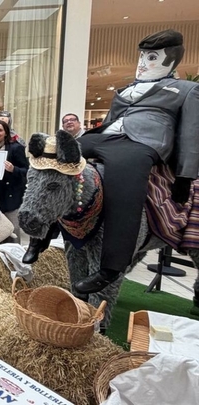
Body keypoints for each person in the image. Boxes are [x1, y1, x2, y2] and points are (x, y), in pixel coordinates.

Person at [28, 29, 199, 294]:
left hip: (143, 144)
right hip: (105, 137)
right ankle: (40, 236)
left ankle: (110, 267)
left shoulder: (186, 90)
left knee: (124, 185)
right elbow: (110, 121)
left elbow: (190, 134)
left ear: (171, 59)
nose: (143, 64)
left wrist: (185, 176)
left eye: (152, 58)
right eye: (142, 57)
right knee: (54, 159)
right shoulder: (127, 89)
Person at [0, 120, 28, 240]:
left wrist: (13, 169)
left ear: (6, 132)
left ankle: (16, 254)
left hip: (10, 195)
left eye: (0, 130)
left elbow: (26, 171)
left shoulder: (16, 148)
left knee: (13, 228)